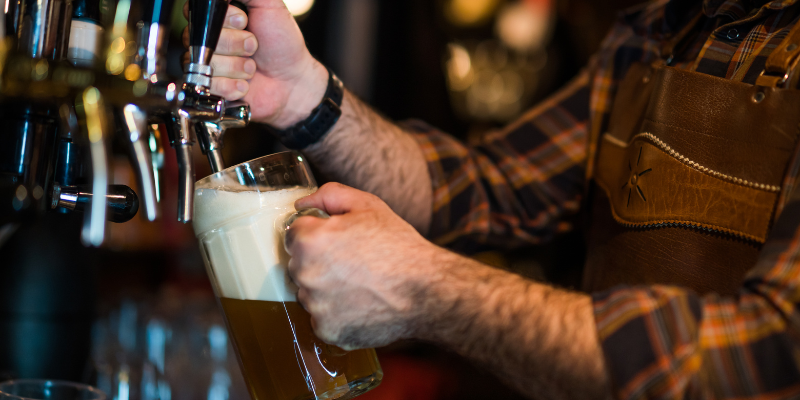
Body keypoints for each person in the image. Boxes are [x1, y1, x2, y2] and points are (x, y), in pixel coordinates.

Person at [187, 0, 800, 398]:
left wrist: (429, 291)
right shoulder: (660, 28)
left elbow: (768, 354)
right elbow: (484, 184)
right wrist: (301, 96)